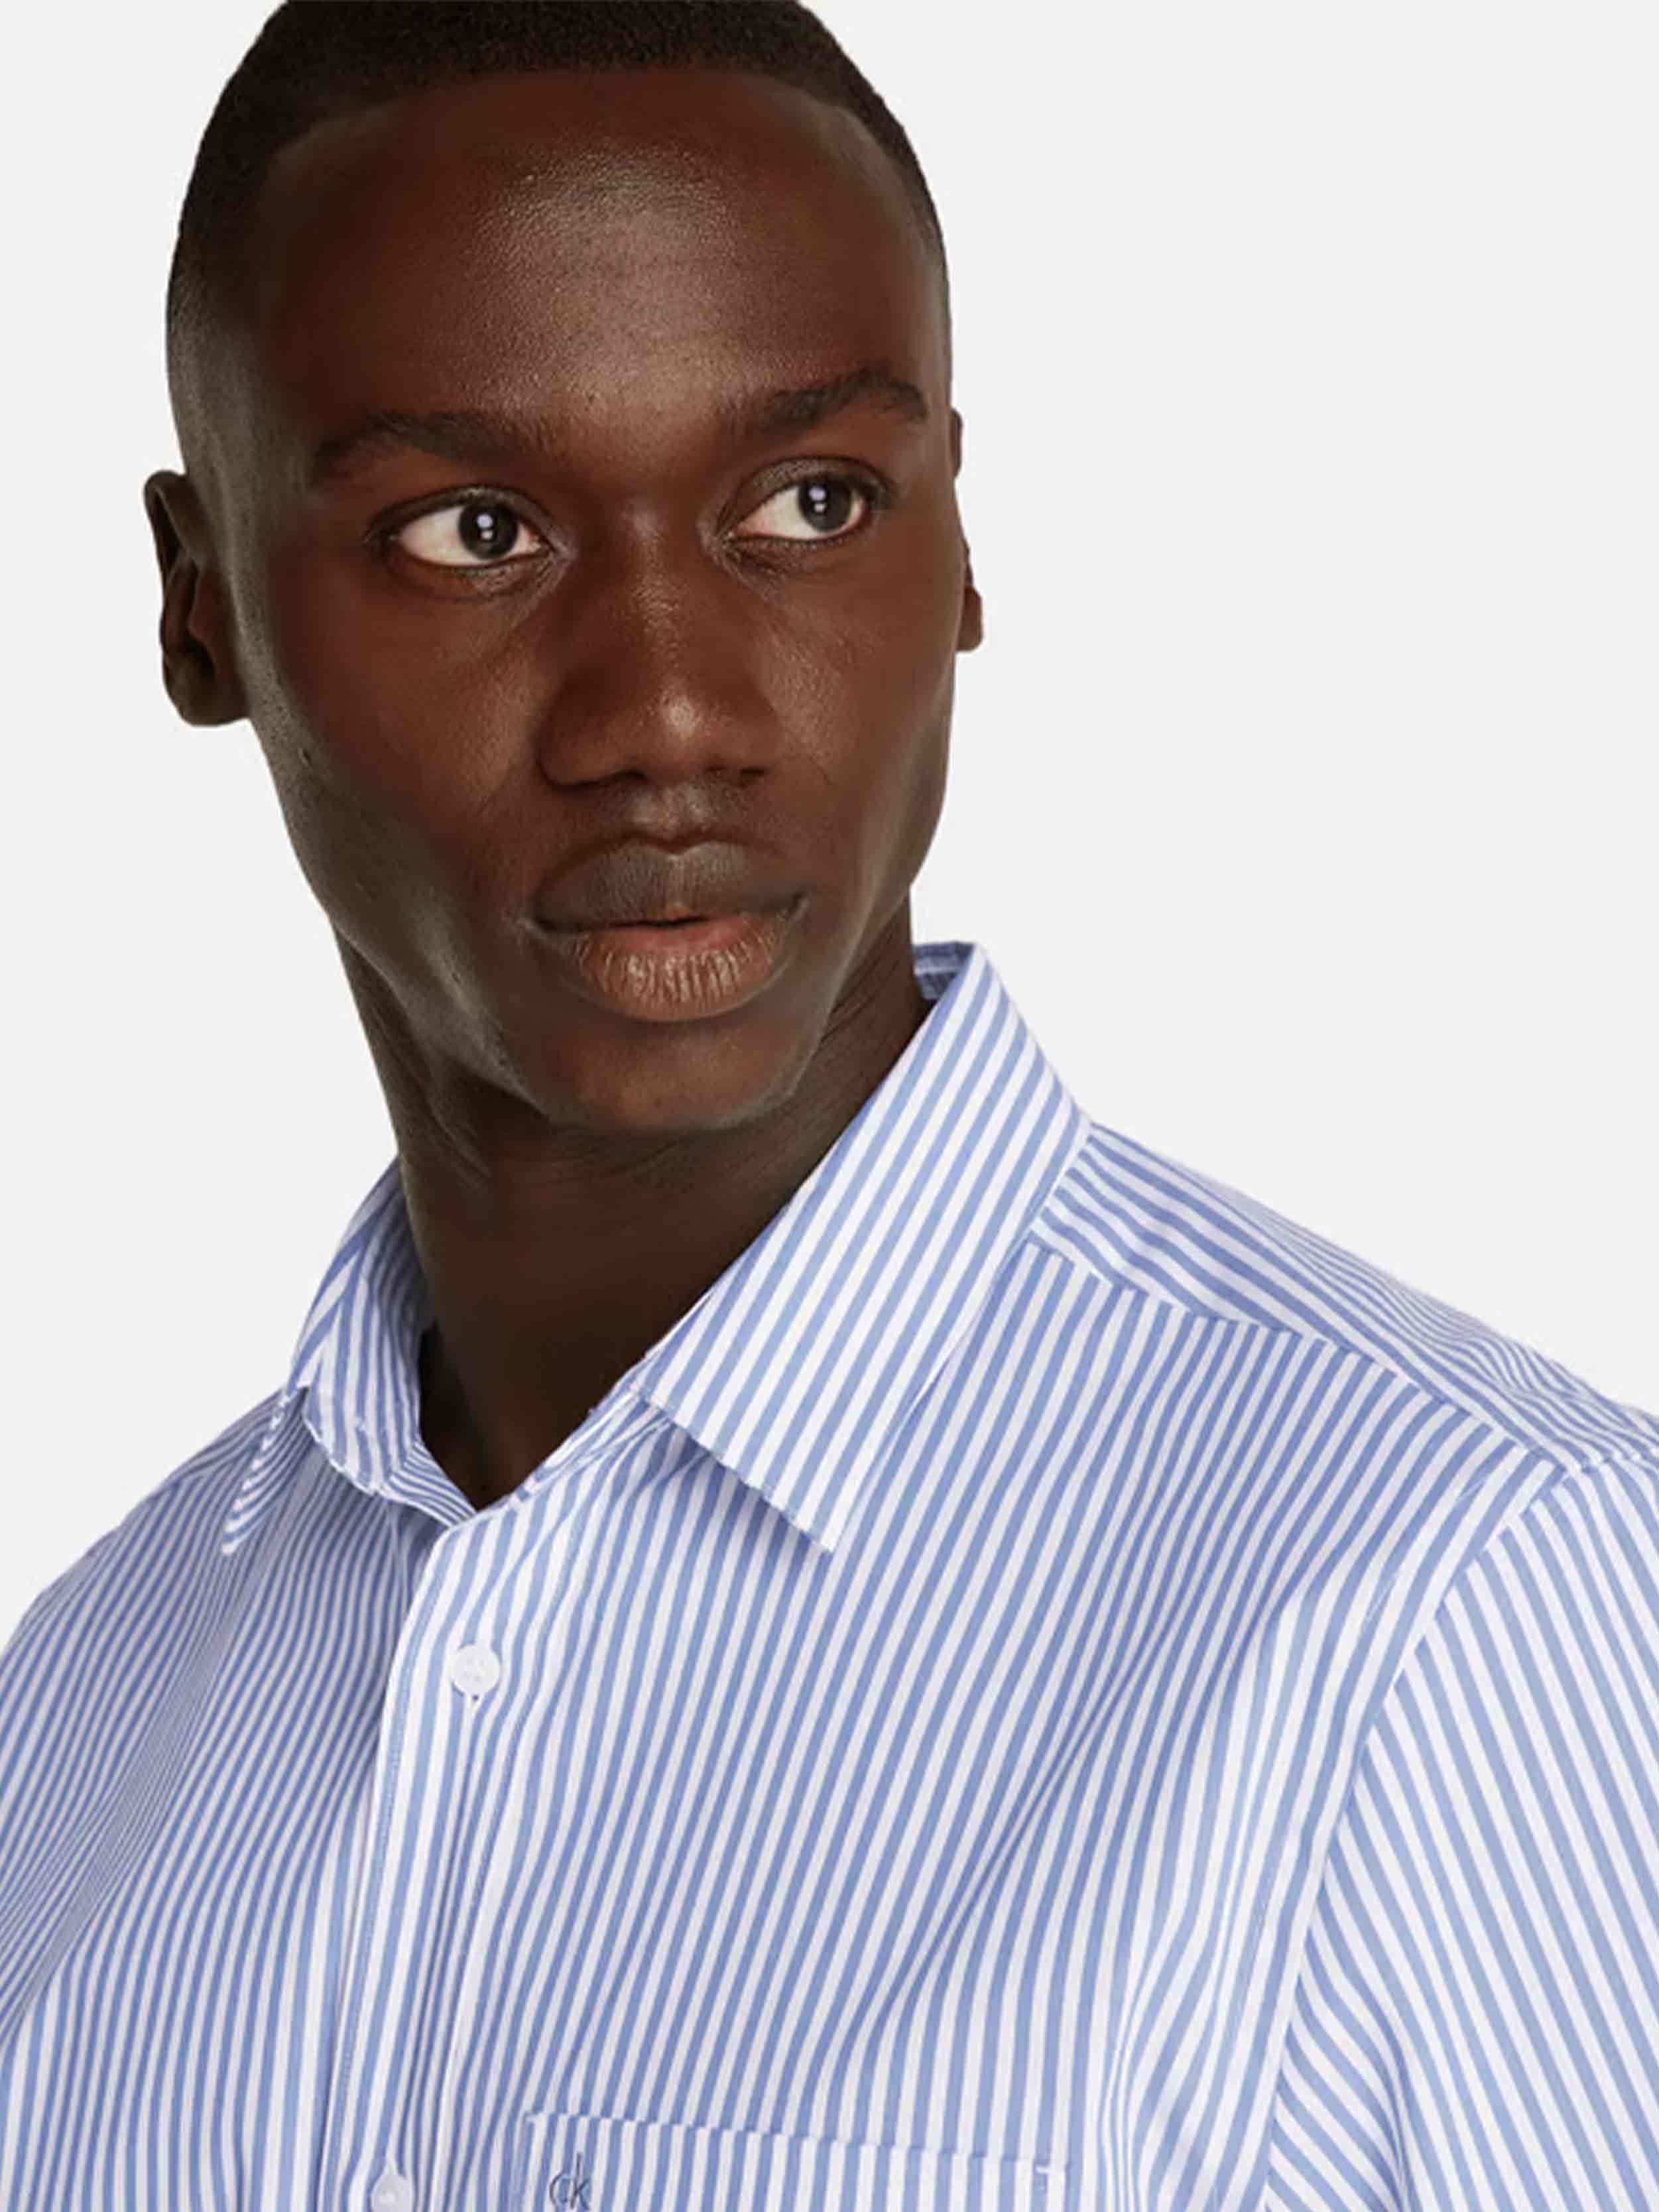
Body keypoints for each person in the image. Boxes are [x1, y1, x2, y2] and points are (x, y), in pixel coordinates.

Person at [1, 5, 1656, 2207]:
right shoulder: (80, 1724)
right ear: (200, 604)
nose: (668, 714)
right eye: (474, 532)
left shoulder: (1475, 1597)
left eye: (809, 504)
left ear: (958, 545)